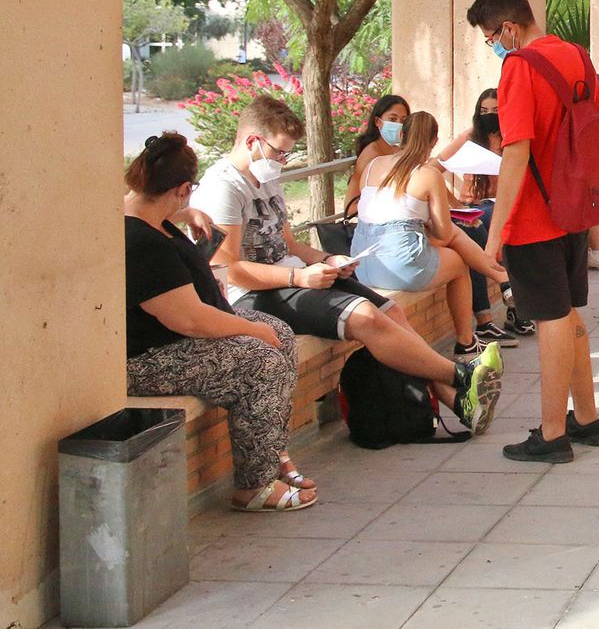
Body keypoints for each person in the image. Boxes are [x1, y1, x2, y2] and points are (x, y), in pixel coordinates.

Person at [194, 97, 504, 429]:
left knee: (390, 312)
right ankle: (461, 376)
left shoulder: (267, 178)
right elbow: (229, 270)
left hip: (293, 276)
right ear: (252, 141)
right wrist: (299, 277)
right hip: (251, 295)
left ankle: (458, 401)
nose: (282, 161)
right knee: (366, 317)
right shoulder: (223, 188)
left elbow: (290, 244)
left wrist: (328, 259)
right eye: (279, 153)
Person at [124, 134, 318, 512]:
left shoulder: (147, 213)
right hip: (147, 356)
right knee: (261, 360)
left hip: (173, 335)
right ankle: (255, 486)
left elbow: (140, 203)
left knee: (279, 332)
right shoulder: (141, 242)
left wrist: (187, 214)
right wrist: (251, 330)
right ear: (183, 188)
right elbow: (190, 320)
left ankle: (273, 451)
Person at [468, 0, 599, 463]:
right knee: (568, 313)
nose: (494, 45)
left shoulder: (519, 66)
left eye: (492, 37)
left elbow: (516, 152)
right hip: (573, 206)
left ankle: (552, 434)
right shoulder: (576, 55)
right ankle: (587, 418)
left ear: (509, 28)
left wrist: (493, 236)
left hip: (534, 214)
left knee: (549, 317)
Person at [351, 111, 515, 349]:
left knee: (454, 235)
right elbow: (444, 234)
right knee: (458, 261)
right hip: (399, 262)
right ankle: (467, 339)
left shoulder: (373, 165)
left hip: (362, 262)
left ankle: (502, 279)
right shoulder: (428, 173)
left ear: (402, 135)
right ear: (434, 142)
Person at [433, 88, 526, 341]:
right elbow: (431, 169)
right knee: (476, 228)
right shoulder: (470, 137)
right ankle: (495, 311)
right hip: (473, 207)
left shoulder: (514, 138)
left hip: (504, 207)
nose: (489, 116)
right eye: (484, 111)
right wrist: (455, 204)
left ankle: (506, 309)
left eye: (495, 110)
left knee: (494, 228)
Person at [343, 95, 411, 217]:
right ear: (378, 122)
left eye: (403, 121)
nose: (399, 125)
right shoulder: (371, 153)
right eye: (393, 119)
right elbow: (351, 207)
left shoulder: (397, 150)